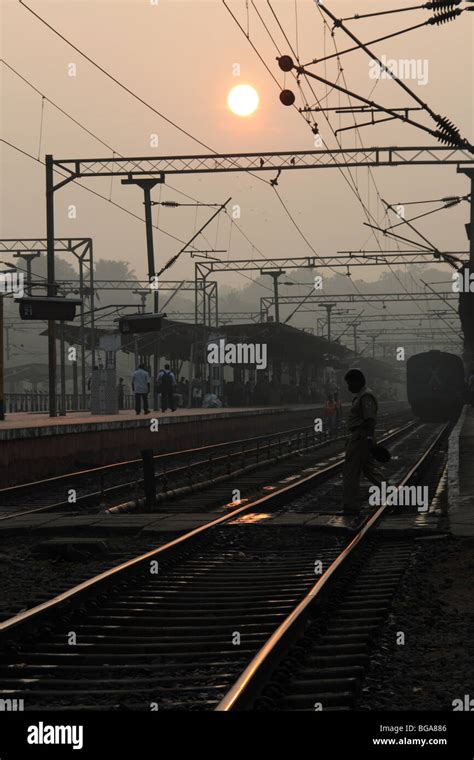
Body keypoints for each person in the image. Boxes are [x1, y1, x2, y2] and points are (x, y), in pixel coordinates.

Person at [342, 368, 383, 514]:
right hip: (360, 436)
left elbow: (369, 420)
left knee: (351, 471)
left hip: (361, 437)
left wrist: (368, 439)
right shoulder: (361, 396)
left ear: (358, 381)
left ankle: (351, 504)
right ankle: (391, 494)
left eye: (350, 383)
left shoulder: (366, 397)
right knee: (369, 470)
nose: (348, 387)